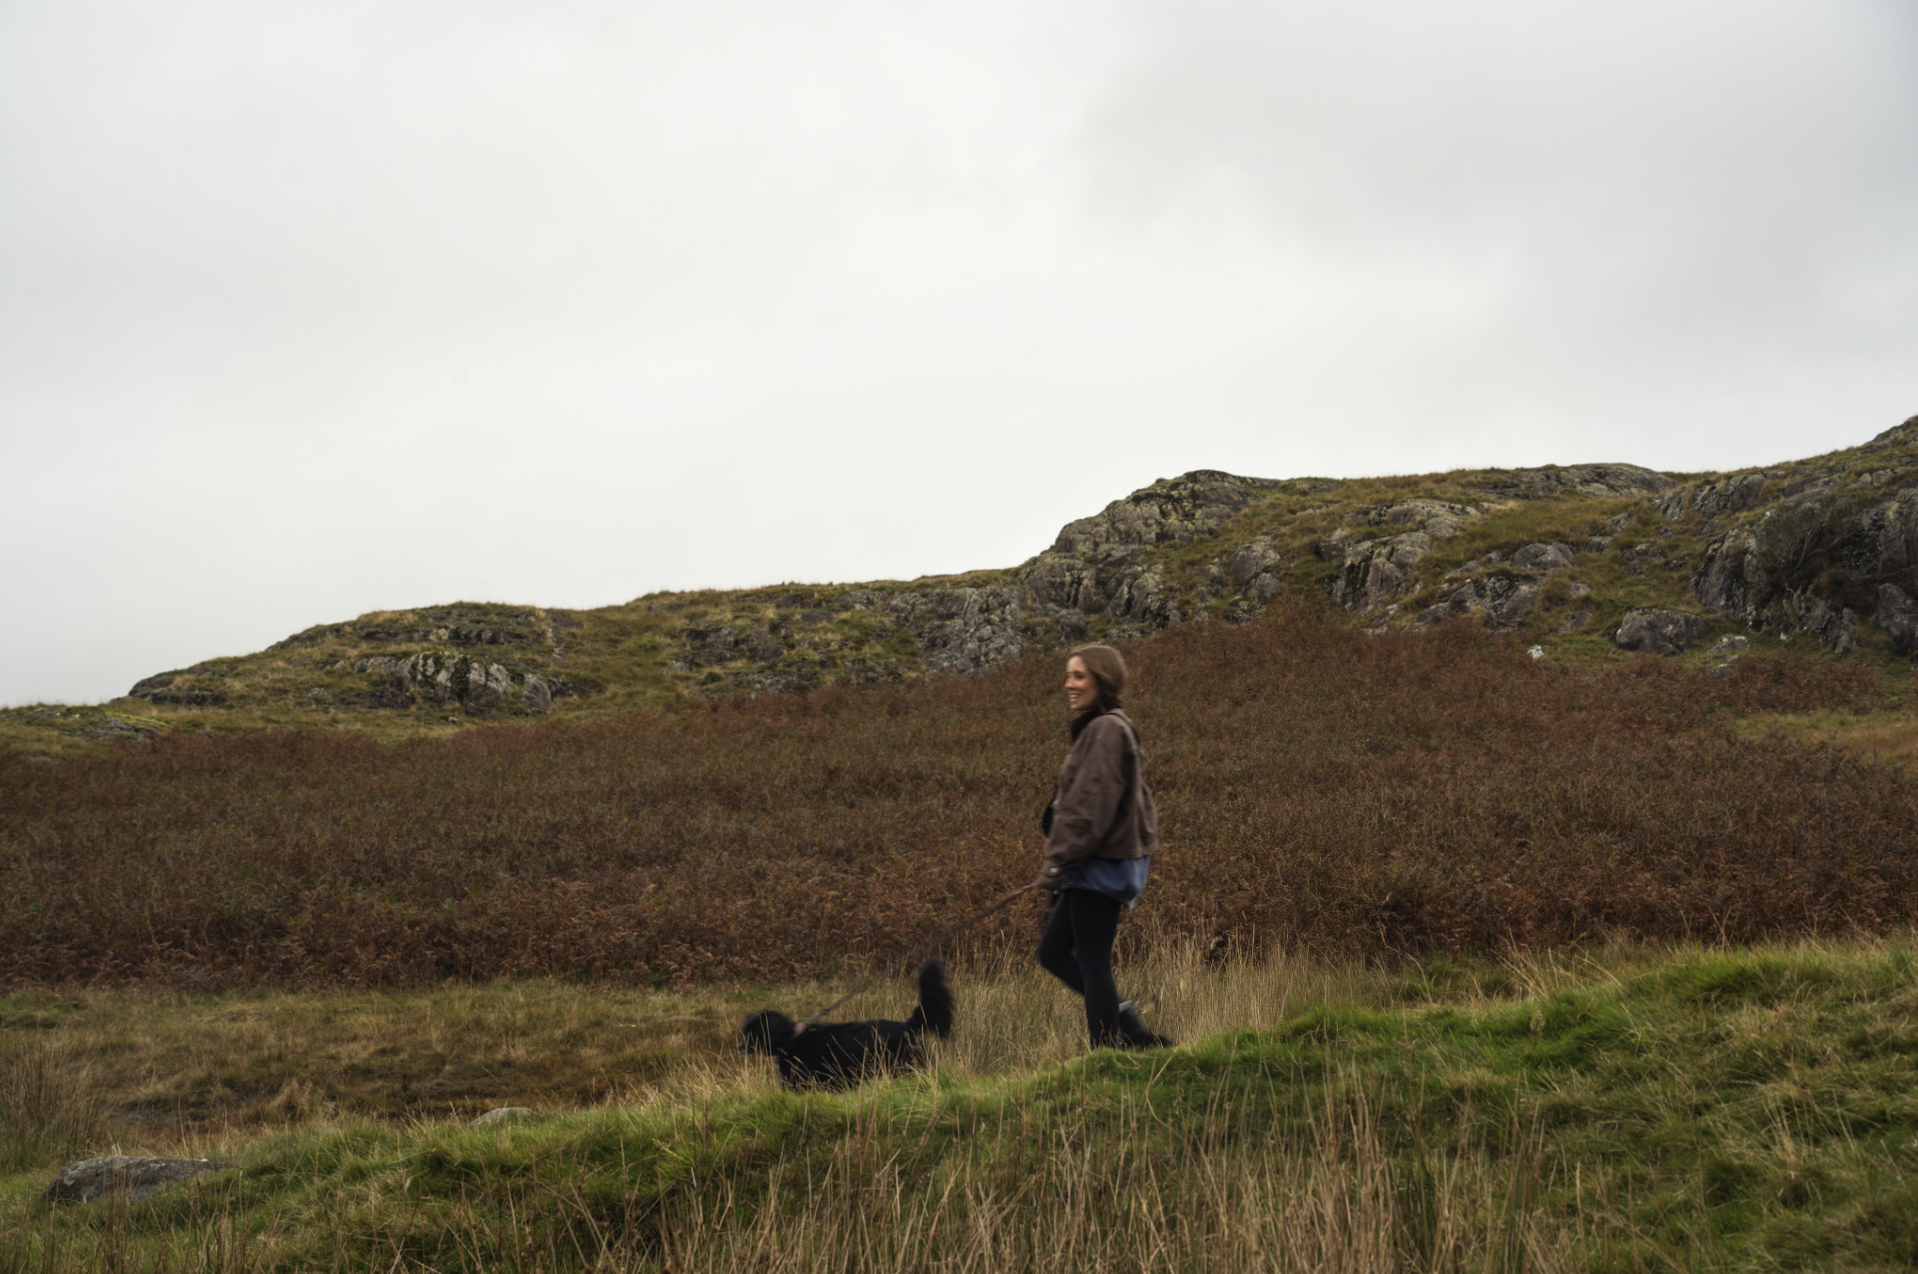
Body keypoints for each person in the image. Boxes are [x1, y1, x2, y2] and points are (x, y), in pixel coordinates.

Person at [1034, 644, 1171, 1049]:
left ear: (1102, 680)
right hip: (1088, 867)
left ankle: (1106, 1054)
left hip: (1099, 867)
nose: (1069, 684)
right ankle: (1125, 1023)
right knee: (1052, 954)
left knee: (1093, 963)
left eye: (1079, 676)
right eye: (1068, 675)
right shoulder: (1100, 728)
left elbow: (1088, 811)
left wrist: (1055, 868)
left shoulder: (1108, 729)